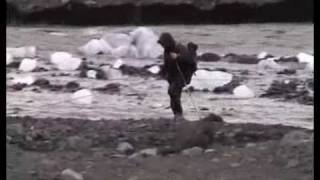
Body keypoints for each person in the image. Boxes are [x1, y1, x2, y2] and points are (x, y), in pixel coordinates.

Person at [158, 32, 198, 121]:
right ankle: (177, 115)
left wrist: (178, 57)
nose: (162, 45)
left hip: (183, 74)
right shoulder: (167, 50)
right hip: (173, 75)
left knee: (173, 91)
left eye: (163, 43)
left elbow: (190, 60)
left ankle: (179, 115)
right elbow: (167, 63)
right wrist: (163, 72)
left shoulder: (180, 48)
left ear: (167, 42)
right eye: (161, 44)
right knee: (172, 93)